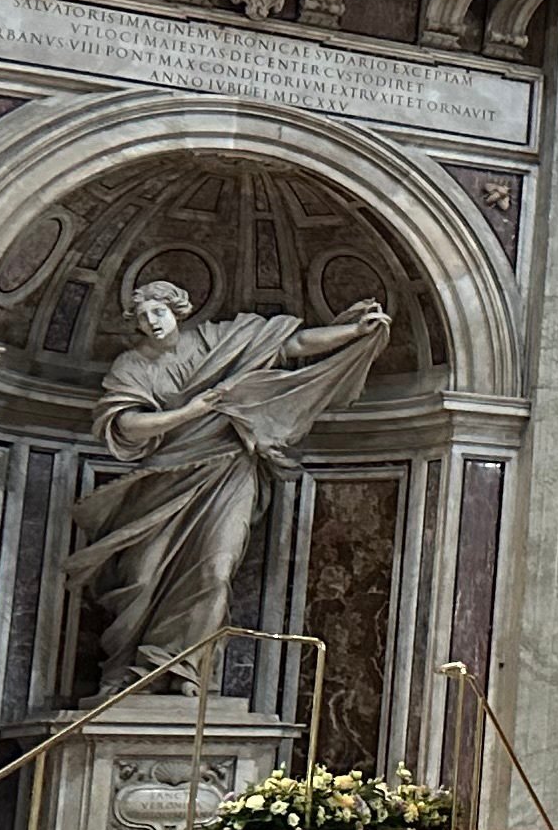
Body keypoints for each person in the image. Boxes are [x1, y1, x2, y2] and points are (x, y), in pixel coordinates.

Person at [60, 280, 394, 686]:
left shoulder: (221, 340)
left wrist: (353, 331)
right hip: (164, 481)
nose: (153, 322)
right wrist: (188, 413)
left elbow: (293, 344)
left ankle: (191, 673)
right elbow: (126, 424)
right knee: (143, 578)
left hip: (230, 472)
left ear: (178, 310)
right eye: (144, 317)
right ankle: (132, 671)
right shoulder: (131, 366)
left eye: (159, 312)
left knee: (216, 572)